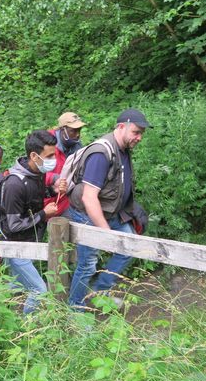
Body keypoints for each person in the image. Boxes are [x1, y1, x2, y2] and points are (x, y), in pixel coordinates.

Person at [65, 108, 152, 310]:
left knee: (129, 247)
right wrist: (106, 234)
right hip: (88, 215)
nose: (139, 138)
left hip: (112, 213)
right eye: (136, 132)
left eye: (141, 134)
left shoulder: (123, 149)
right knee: (87, 264)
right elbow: (89, 197)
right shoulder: (101, 154)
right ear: (121, 127)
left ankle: (99, 293)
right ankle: (75, 307)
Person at [0, 130, 67, 314]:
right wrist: (44, 214)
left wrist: (53, 190)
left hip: (29, 241)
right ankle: (28, 330)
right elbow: (13, 225)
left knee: (15, 284)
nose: (53, 160)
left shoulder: (36, 173)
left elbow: (33, 197)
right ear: (34, 155)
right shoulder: (14, 184)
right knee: (39, 290)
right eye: (49, 156)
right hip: (14, 245)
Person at [44, 112, 87, 217]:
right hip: (43, 200)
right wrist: (54, 178)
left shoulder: (77, 147)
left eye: (79, 130)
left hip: (65, 201)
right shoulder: (46, 143)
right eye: (73, 130)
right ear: (62, 129)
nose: (77, 134)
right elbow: (34, 169)